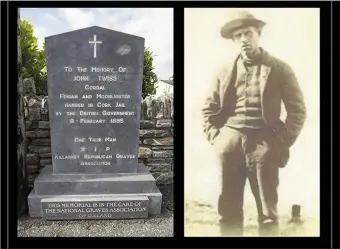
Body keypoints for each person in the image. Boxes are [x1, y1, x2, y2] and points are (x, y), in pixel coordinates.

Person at [202, 10, 307, 236]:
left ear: (258, 33)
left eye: (248, 33)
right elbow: (208, 108)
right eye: (238, 36)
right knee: (228, 210)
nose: (243, 40)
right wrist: (216, 138)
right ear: (233, 40)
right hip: (229, 142)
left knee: (268, 214)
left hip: (264, 143)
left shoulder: (279, 69)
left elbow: (297, 110)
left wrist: (281, 142)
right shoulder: (223, 71)